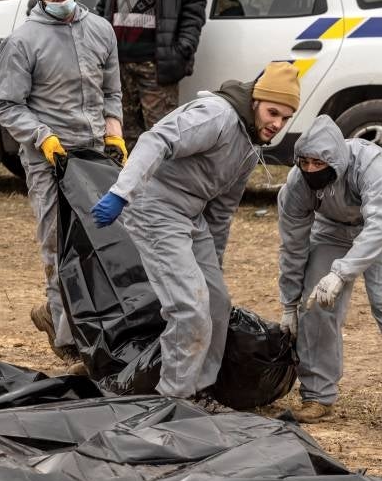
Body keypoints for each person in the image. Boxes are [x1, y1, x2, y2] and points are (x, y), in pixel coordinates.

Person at [90, 61, 300, 399]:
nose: (277, 124)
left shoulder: (249, 146)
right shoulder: (216, 116)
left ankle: (201, 391)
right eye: (273, 112)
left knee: (216, 302)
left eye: (286, 119)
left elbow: (222, 209)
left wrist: (211, 264)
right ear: (256, 100)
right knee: (189, 308)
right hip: (155, 208)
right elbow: (155, 139)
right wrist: (121, 193)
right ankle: (172, 402)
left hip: (192, 215)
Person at [0, 0, 124, 371]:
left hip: (94, 155)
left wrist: (115, 131)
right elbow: (6, 105)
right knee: (56, 243)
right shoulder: (23, 41)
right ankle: (67, 334)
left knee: (100, 242)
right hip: (49, 158)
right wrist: (42, 137)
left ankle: (96, 324)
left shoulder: (101, 29)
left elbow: (113, 91)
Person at [276, 114, 382, 424]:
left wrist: (341, 273)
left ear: (336, 160)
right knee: (314, 302)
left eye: (319, 163)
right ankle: (317, 395)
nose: (311, 169)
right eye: (305, 162)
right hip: (330, 228)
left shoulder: (370, 162)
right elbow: (293, 246)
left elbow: (380, 225)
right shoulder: (297, 186)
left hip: (381, 224)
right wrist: (289, 304)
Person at [95, 0, 205, 149]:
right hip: (118, 68)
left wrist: (182, 50)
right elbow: (102, 8)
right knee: (125, 137)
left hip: (156, 68)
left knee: (161, 137)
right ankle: (130, 179)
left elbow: (194, 11)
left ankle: (162, 181)